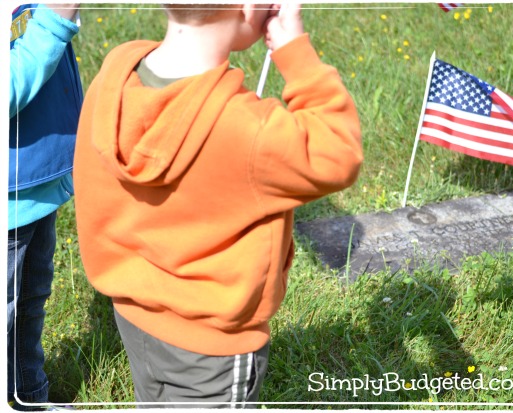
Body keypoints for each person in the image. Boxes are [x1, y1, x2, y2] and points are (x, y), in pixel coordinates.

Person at [73, 3, 363, 408]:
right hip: (211, 350)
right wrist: (295, 50)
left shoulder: (116, 74)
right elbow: (340, 153)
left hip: (134, 314)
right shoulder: (247, 129)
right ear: (248, 7)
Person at [8, 3, 82, 411]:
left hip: (33, 186)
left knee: (30, 300)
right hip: (9, 202)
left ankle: (27, 397)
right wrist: (54, 21)